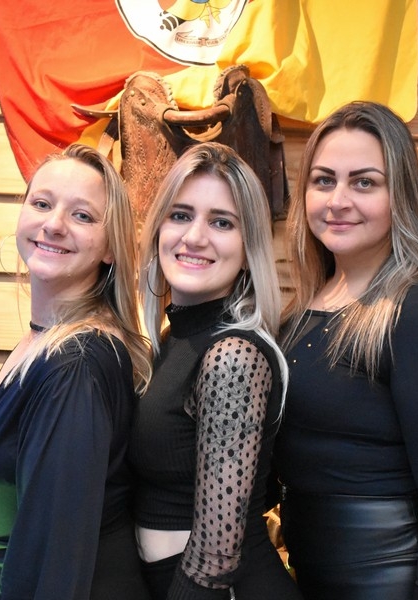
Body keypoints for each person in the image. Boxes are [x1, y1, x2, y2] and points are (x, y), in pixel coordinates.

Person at [273, 101, 418, 600]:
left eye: (364, 182)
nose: (338, 200)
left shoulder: (417, 314)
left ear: (399, 196)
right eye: (323, 180)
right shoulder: (300, 313)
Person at [0, 143, 152, 600]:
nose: (54, 224)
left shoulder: (76, 365)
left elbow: (56, 552)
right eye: (42, 203)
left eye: (82, 215)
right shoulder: (41, 341)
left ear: (110, 248)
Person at [129, 142, 302, 600]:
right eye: (180, 215)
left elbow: (215, 559)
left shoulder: (233, 356)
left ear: (248, 249)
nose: (195, 237)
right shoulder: (174, 339)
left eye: (222, 222)